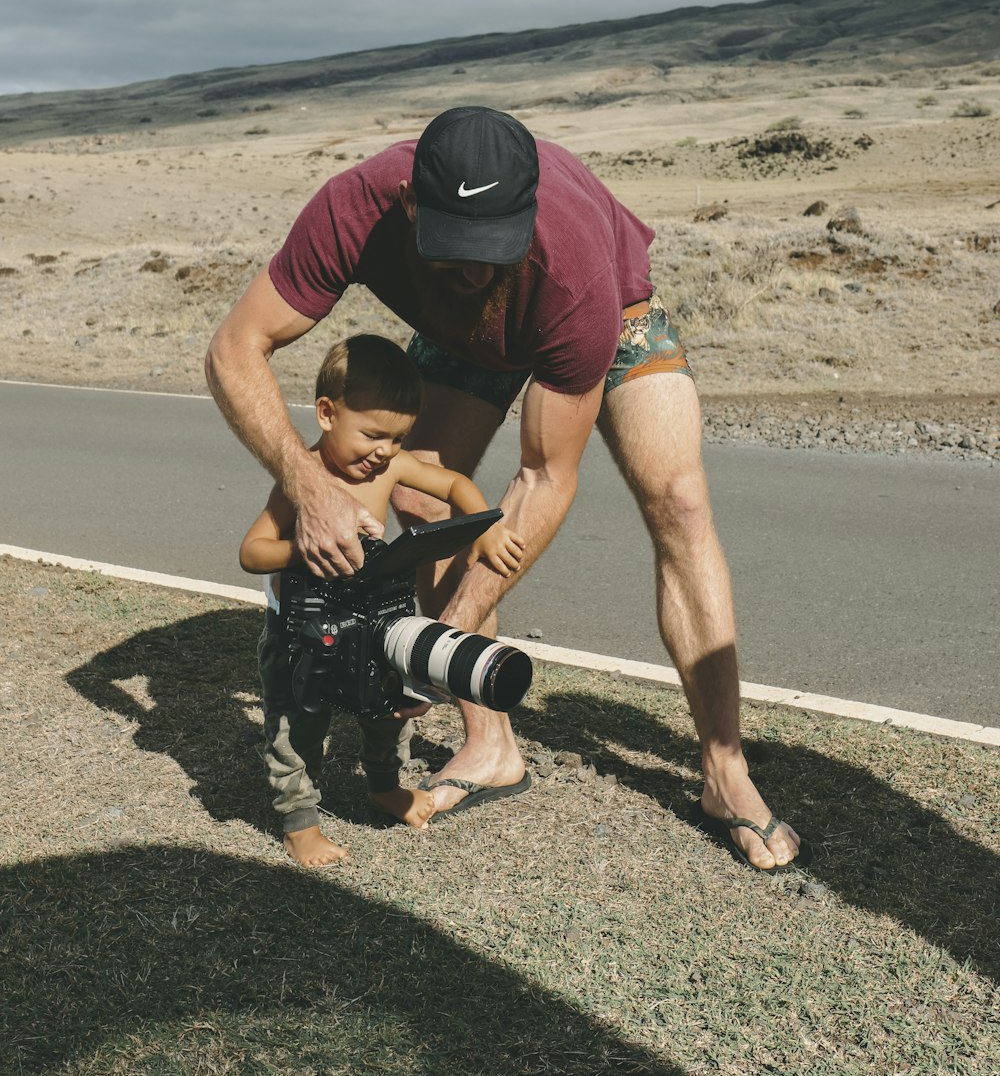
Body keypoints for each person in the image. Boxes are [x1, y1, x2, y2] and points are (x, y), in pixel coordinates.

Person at [207, 105, 805, 873]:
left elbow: (545, 476)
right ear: (411, 204)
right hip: (468, 336)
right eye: (455, 249)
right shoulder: (354, 209)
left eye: (493, 249)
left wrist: (436, 642)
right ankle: (490, 746)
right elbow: (234, 346)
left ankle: (727, 774)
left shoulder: (571, 271)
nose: (473, 269)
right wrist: (308, 487)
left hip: (605, 318)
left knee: (679, 503)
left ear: (524, 216)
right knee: (422, 502)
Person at [238, 331, 525, 867]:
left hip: (371, 619)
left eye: (398, 438)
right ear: (327, 413)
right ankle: (299, 822)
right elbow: (251, 553)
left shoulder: (390, 465)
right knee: (299, 725)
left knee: (390, 712)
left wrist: (482, 527)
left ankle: (385, 787)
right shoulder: (302, 476)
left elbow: (454, 483)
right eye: (372, 435)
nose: (385, 453)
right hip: (302, 631)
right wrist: (304, 550)